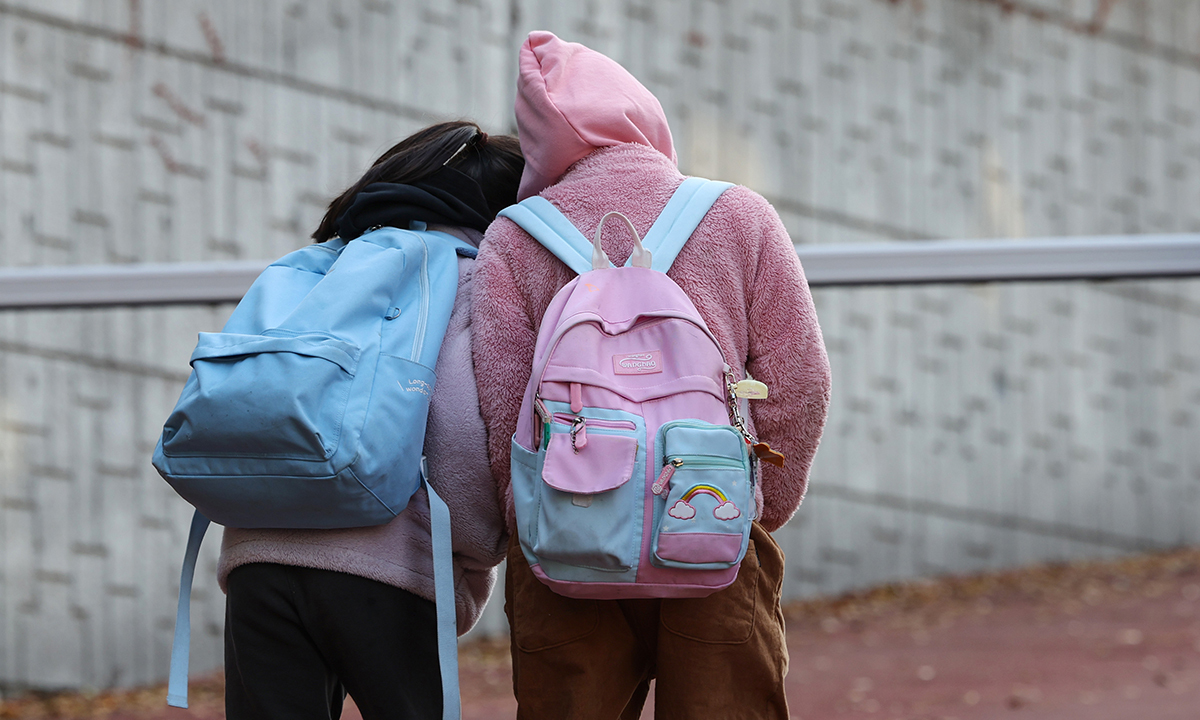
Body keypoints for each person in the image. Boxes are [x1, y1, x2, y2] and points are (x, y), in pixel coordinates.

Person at [471, 32, 831, 719]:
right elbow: (801, 380)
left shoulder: (513, 238)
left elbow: (500, 403)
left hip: (567, 530)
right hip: (709, 513)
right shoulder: (738, 215)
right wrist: (755, 500)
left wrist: (531, 516)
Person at [218, 121, 523, 720]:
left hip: (257, 557)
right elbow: (463, 436)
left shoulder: (314, 269)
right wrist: (477, 547)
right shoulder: (470, 280)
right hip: (389, 571)